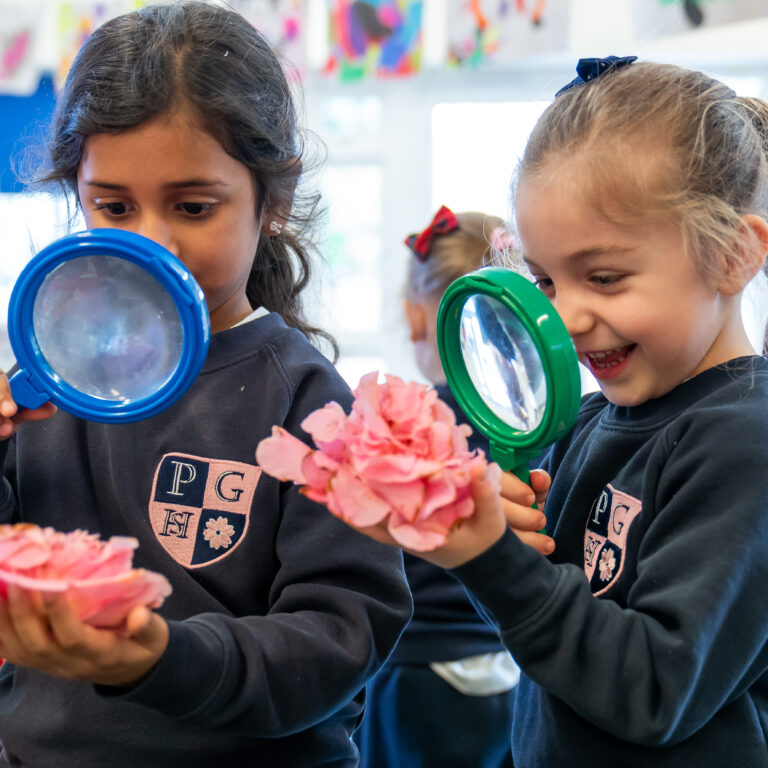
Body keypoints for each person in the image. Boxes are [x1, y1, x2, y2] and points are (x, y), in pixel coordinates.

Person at [0, 4, 414, 766]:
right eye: (113, 206)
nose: (150, 240)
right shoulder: (45, 382)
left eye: (193, 206)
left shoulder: (307, 401)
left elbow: (341, 636)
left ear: (274, 202)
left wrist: (159, 660)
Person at [343, 57, 768, 767]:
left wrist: (496, 564)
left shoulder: (744, 444)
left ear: (732, 255)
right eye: (544, 278)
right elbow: (547, 643)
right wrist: (492, 556)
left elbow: (653, 690)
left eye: (603, 278)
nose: (564, 318)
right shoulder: (590, 426)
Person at [355, 206, 531, 768]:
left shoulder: (409, 426)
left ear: (415, 316)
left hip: (416, 671)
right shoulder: (546, 426)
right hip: (515, 669)